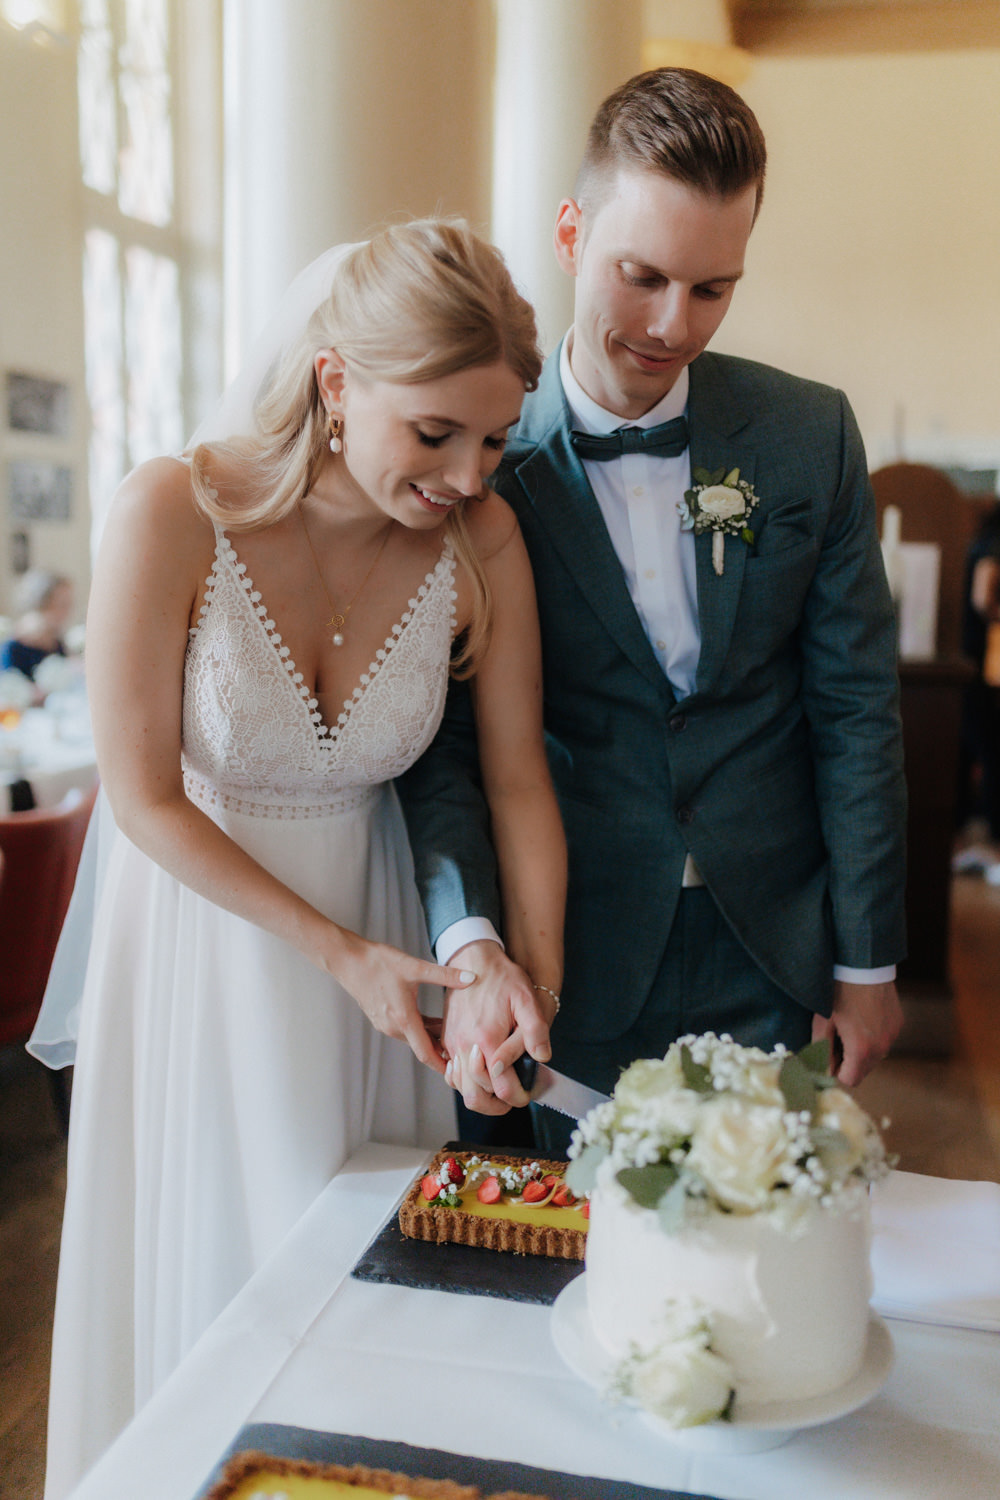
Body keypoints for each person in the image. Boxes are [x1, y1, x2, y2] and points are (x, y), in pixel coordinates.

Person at [40, 219, 564, 1497]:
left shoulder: (482, 544)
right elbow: (143, 798)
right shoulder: (171, 510)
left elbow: (515, 780)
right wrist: (340, 955)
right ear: (337, 382)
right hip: (205, 945)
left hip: (378, 946)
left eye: (495, 440)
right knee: (211, 1279)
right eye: (434, 433)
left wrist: (526, 982)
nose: (466, 475)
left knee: (352, 1292)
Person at [398, 68, 907, 1154]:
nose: (674, 325)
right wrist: (471, 944)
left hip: (772, 945)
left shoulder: (808, 437)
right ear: (570, 234)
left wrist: (866, 962)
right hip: (566, 950)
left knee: (765, 1230)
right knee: (572, 1243)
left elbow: (856, 710)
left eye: (713, 289)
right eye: (643, 277)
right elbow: (437, 744)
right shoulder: (470, 462)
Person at [1, 567, 73, 685]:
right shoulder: (12, 648)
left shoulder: (57, 644)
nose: (67, 611)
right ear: (41, 603)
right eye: (61, 604)